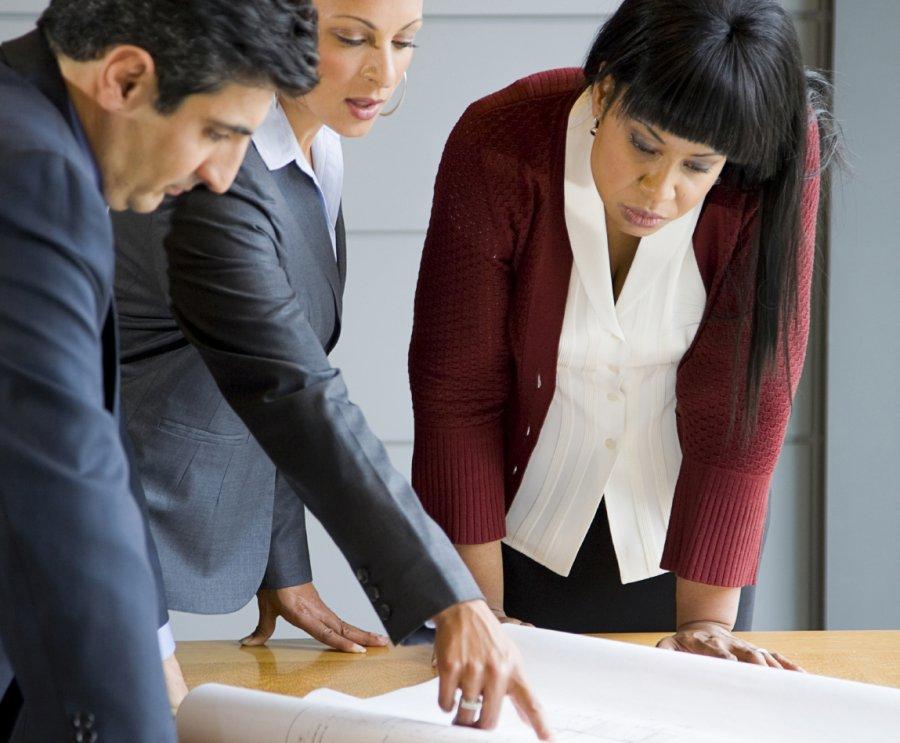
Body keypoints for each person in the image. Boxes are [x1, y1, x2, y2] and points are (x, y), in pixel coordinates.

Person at [111, 0, 550, 737]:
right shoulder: (218, 167)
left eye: (405, 41)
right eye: (351, 38)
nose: (384, 71)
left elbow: (275, 357)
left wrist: (283, 561)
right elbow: (290, 384)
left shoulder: (318, 147)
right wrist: (451, 598)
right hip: (105, 515)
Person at [410, 0, 835, 669]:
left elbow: (746, 398)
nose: (659, 190)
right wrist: (478, 609)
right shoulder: (500, 141)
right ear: (605, 87)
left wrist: (706, 622)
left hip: (688, 540)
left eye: (699, 166)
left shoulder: (774, 156)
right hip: (502, 532)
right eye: (645, 144)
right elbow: (457, 394)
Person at [0, 1, 318, 740]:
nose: (221, 175)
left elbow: (97, 455)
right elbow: (63, 491)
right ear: (125, 77)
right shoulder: (32, 175)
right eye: (217, 133)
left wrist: (154, 651)